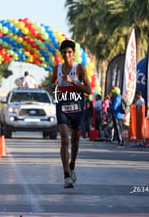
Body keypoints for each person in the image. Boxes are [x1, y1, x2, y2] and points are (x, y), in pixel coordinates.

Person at [50, 40, 91, 189]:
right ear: (61, 54)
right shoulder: (57, 69)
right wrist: (53, 86)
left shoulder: (80, 68)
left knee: (75, 141)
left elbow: (88, 90)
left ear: (74, 54)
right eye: (64, 53)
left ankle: (72, 165)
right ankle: (66, 176)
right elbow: (51, 84)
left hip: (77, 107)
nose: (66, 55)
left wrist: (73, 82)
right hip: (62, 106)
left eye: (69, 52)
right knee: (64, 140)